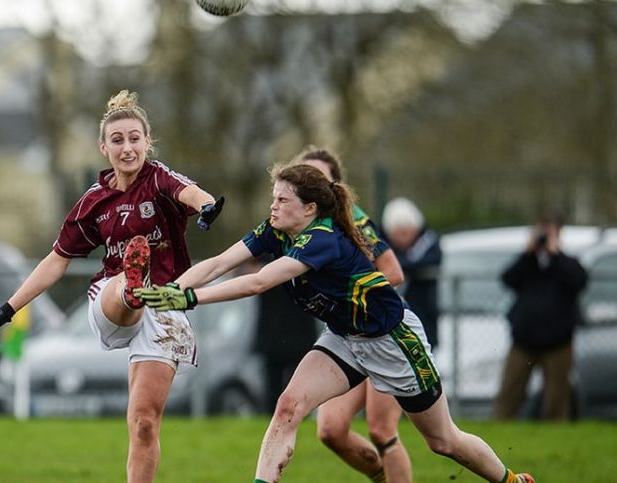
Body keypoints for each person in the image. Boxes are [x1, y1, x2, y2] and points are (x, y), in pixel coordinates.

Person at [135, 163, 534, 483]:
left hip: (392, 340)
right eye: (273, 198)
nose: (273, 206)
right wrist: (168, 290)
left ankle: (512, 480)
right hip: (345, 338)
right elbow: (222, 262)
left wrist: (189, 299)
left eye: (282, 199)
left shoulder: (323, 239)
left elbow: (258, 282)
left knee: (444, 441)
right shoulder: (276, 231)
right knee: (289, 406)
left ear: (309, 209)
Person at [0, 89, 224, 483]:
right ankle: (131, 287)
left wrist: (206, 207)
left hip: (165, 305)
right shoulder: (93, 202)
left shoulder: (159, 180)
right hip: (110, 301)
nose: (128, 148)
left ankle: (137, 288)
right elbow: (56, 260)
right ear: (103, 148)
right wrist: (8, 308)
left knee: (143, 423)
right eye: (118, 140)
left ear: (148, 142)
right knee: (125, 282)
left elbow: (191, 194)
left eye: (135, 138)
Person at [296, 147, 411, 483]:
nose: (310, 183)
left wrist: (349, 294)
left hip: (383, 331)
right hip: (348, 336)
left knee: (381, 430)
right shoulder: (299, 223)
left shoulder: (353, 218)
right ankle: (383, 477)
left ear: (335, 185)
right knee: (330, 429)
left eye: (318, 177)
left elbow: (394, 271)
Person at [493, 211, 587, 420]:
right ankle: (501, 425)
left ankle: (555, 430)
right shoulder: (528, 263)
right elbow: (508, 279)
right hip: (524, 339)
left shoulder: (567, 262)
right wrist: (528, 252)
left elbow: (578, 282)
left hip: (558, 341)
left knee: (557, 394)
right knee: (510, 390)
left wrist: (555, 255)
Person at [251, 256, 319, 414]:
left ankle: (300, 413)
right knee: (272, 383)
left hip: (299, 331)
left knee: (299, 382)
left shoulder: (306, 250)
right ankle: (272, 415)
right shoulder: (267, 245)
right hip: (273, 332)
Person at [382, 197, 442, 348]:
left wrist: (402, 266)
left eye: (406, 232)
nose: (403, 238)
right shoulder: (380, 244)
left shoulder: (428, 241)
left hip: (424, 316)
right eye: (398, 232)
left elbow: (432, 260)